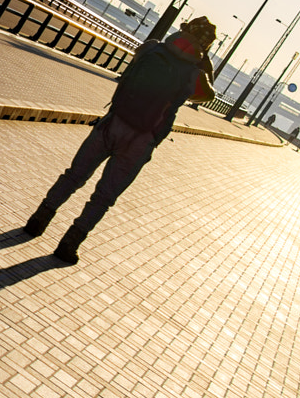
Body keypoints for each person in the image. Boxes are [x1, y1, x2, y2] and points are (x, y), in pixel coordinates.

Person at [26, 15, 219, 263]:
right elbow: (206, 97)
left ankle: (37, 221)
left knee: (74, 176)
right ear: (206, 47)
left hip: (112, 123)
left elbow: (136, 61)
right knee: (104, 196)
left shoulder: (152, 48)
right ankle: (68, 245)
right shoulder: (195, 75)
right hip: (140, 142)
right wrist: (205, 63)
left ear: (182, 30)